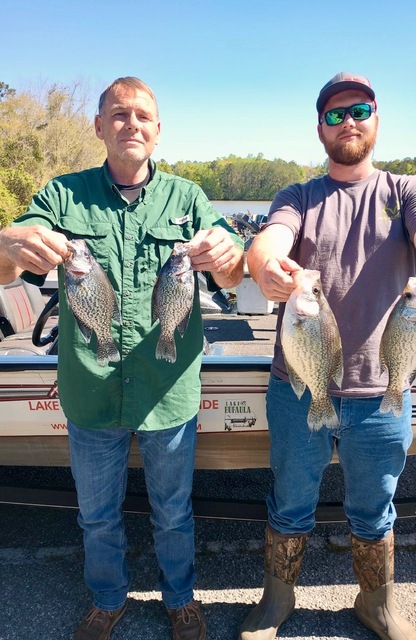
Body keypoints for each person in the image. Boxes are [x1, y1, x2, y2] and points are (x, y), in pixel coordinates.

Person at [0, 76, 244, 640]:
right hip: (91, 391)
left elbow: (235, 272)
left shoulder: (189, 198)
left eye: (142, 116)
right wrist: (8, 246)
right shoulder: (62, 195)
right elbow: (10, 264)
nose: (130, 124)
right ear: (99, 126)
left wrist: (233, 256)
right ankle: (108, 599)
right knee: (98, 515)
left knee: (174, 511)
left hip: (169, 390)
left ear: (158, 131)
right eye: (117, 114)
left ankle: (180, 599)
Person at [239, 72, 416, 640]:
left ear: (376, 119)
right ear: (320, 127)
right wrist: (265, 264)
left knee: (375, 509)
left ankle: (378, 606)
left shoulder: (407, 191)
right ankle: (276, 601)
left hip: (383, 388)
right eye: (336, 114)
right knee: (290, 501)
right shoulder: (298, 195)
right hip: (300, 386)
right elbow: (270, 238)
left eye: (360, 110)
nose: (349, 122)